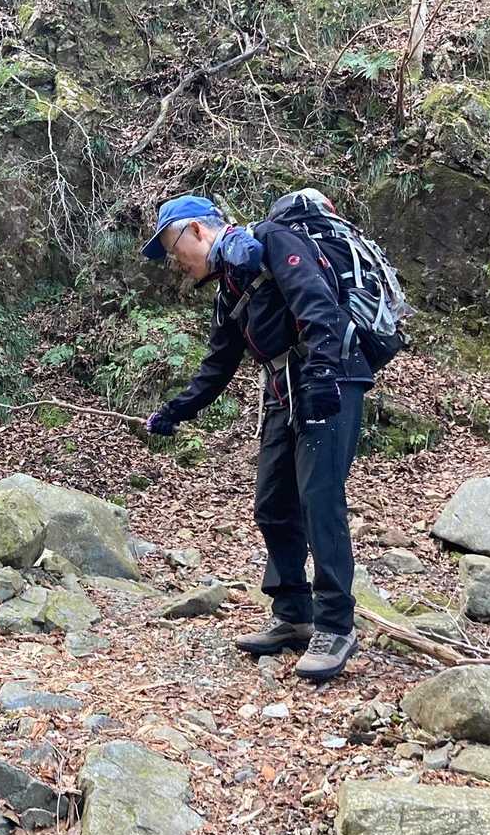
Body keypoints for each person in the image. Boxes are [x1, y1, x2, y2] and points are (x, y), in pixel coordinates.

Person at [141, 193, 373, 682]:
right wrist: (176, 411)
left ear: (197, 230)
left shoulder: (272, 240)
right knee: (271, 504)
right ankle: (293, 615)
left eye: (173, 249)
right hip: (284, 389)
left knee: (320, 500)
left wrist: (323, 374)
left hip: (330, 378)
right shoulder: (232, 287)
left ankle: (336, 626)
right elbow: (218, 365)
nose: (175, 264)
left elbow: (316, 303)